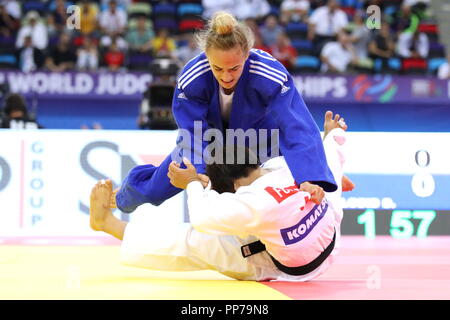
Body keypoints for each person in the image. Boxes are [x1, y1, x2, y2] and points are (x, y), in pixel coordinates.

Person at [113, 11, 338, 216]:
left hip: (261, 142)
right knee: (156, 189)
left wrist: (308, 178)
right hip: (209, 142)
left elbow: (295, 124)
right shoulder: (192, 77)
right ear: (207, 57)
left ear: (247, 55)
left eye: (234, 68)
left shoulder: (269, 72)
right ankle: (122, 196)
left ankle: (326, 171)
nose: (227, 76)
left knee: (291, 181)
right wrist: (197, 174)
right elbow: (192, 134)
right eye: (218, 68)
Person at [90, 111, 349, 281]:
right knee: (327, 186)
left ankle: (108, 224)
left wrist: (192, 182)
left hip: (288, 269)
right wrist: (331, 134)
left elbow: (203, 219)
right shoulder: (291, 167)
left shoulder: (252, 203)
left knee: (195, 242)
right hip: (331, 236)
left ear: (233, 186)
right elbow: (333, 150)